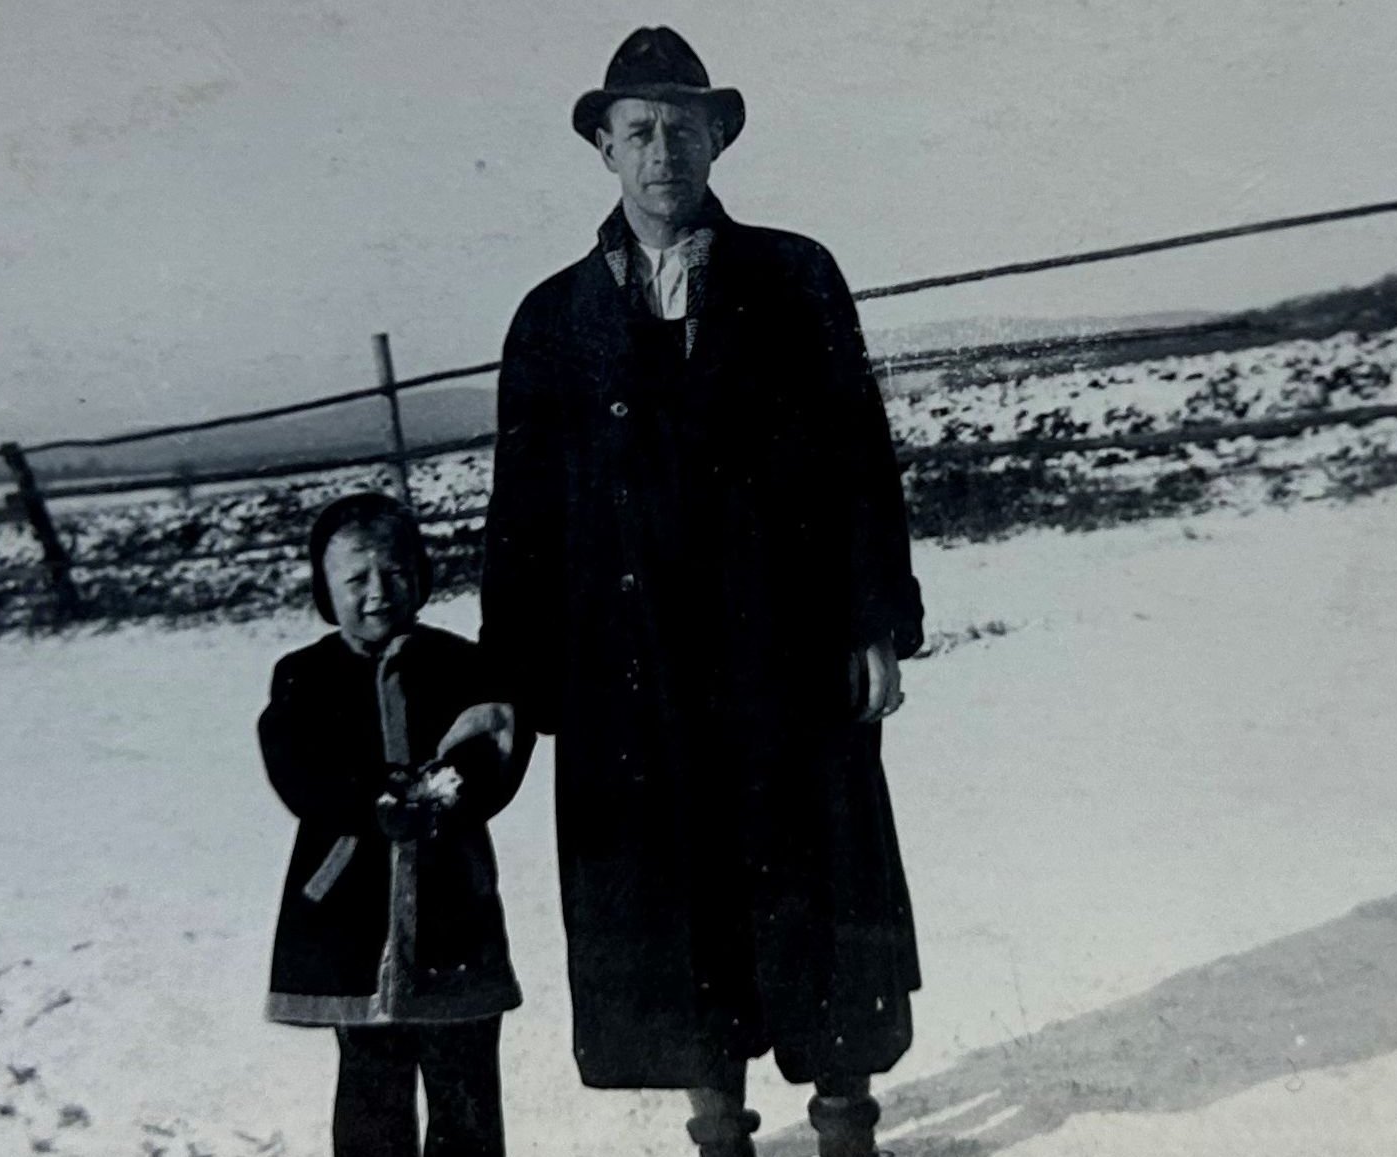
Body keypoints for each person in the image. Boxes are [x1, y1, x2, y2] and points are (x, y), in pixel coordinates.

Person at [478, 26, 926, 1157]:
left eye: (684, 126)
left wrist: (873, 617)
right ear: (603, 149)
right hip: (631, 671)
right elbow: (520, 519)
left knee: (814, 884)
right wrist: (510, 679)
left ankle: (843, 1122)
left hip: (782, 651)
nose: (662, 149)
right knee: (677, 902)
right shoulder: (551, 318)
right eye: (638, 130)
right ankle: (716, 1126)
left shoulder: (793, 275)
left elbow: (858, 455)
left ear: (718, 137)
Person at [258, 493, 530, 1157]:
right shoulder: (304, 676)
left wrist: (449, 787)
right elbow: (298, 770)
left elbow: (496, 740)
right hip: (348, 912)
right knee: (371, 1085)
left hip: (451, 909)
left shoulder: (462, 664)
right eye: (355, 579)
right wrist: (370, 800)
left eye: (396, 572)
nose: (378, 592)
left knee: (464, 1079)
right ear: (326, 589)